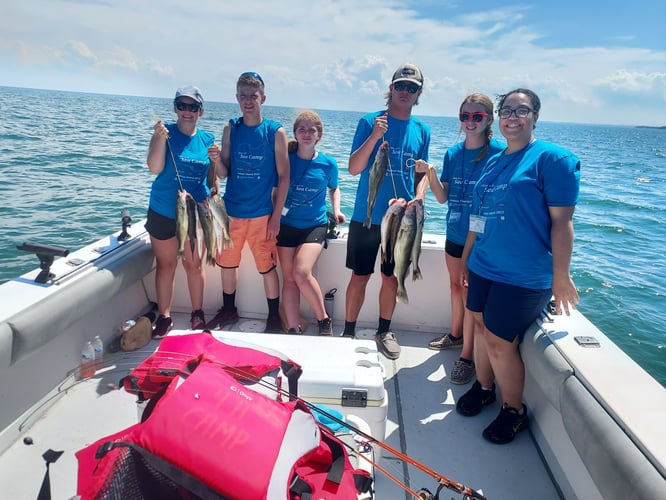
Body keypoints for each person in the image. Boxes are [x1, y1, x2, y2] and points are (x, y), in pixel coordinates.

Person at [456, 88, 580, 444]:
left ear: (535, 116)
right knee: (477, 325)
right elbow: (477, 219)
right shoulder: (493, 162)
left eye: (521, 110)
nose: (512, 116)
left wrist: (561, 276)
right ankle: (483, 387)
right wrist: (466, 259)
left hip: (524, 274)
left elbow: (562, 223)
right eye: (506, 110)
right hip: (483, 264)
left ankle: (514, 411)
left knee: (498, 341)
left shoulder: (552, 160)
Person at [343, 63, 431, 359]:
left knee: (391, 278)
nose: (405, 92)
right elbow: (354, 169)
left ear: (419, 93)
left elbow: (423, 176)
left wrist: (419, 198)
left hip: (402, 218)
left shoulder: (422, 130)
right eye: (400, 86)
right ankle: (348, 331)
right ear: (390, 88)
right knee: (359, 275)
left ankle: (383, 330)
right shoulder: (370, 121)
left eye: (412, 88)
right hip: (365, 216)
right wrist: (374, 137)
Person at [417, 93, 504, 384]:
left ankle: (467, 356)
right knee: (455, 288)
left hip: (483, 239)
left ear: (489, 119)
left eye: (477, 116)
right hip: (454, 232)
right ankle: (455, 336)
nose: (470, 121)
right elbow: (443, 198)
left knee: (470, 298)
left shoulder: (499, 154)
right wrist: (429, 172)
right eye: (464, 116)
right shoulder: (453, 154)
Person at [206, 72, 290, 333]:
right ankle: (229, 309)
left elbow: (285, 176)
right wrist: (215, 159)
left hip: (262, 215)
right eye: (242, 96)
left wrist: (276, 216)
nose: (247, 101)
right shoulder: (231, 128)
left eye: (252, 96)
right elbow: (224, 173)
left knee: (267, 268)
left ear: (263, 98)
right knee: (227, 265)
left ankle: (274, 317)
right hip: (231, 213)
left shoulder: (275, 131)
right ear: (236, 98)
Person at [145, 85, 218, 337]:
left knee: (194, 265)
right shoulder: (165, 133)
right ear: (175, 108)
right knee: (166, 266)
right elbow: (154, 167)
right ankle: (164, 317)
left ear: (201, 111)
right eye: (182, 106)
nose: (187, 111)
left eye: (193, 107)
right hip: (163, 210)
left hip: (195, 212)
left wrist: (214, 188)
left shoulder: (208, 139)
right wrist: (157, 137)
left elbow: (212, 176)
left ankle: (197, 314)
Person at [277, 111, 346, 335]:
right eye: (302, 129)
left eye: (312, 130)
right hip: (286, 225)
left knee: (301, 271)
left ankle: (323, 319)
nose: (307, 134)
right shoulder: (286, 160)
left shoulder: (328, 163)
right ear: (295, 133)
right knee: (288, 280)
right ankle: (293, 328)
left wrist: (336, 210)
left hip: (314, 225)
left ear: (319, 135)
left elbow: (334, 188)